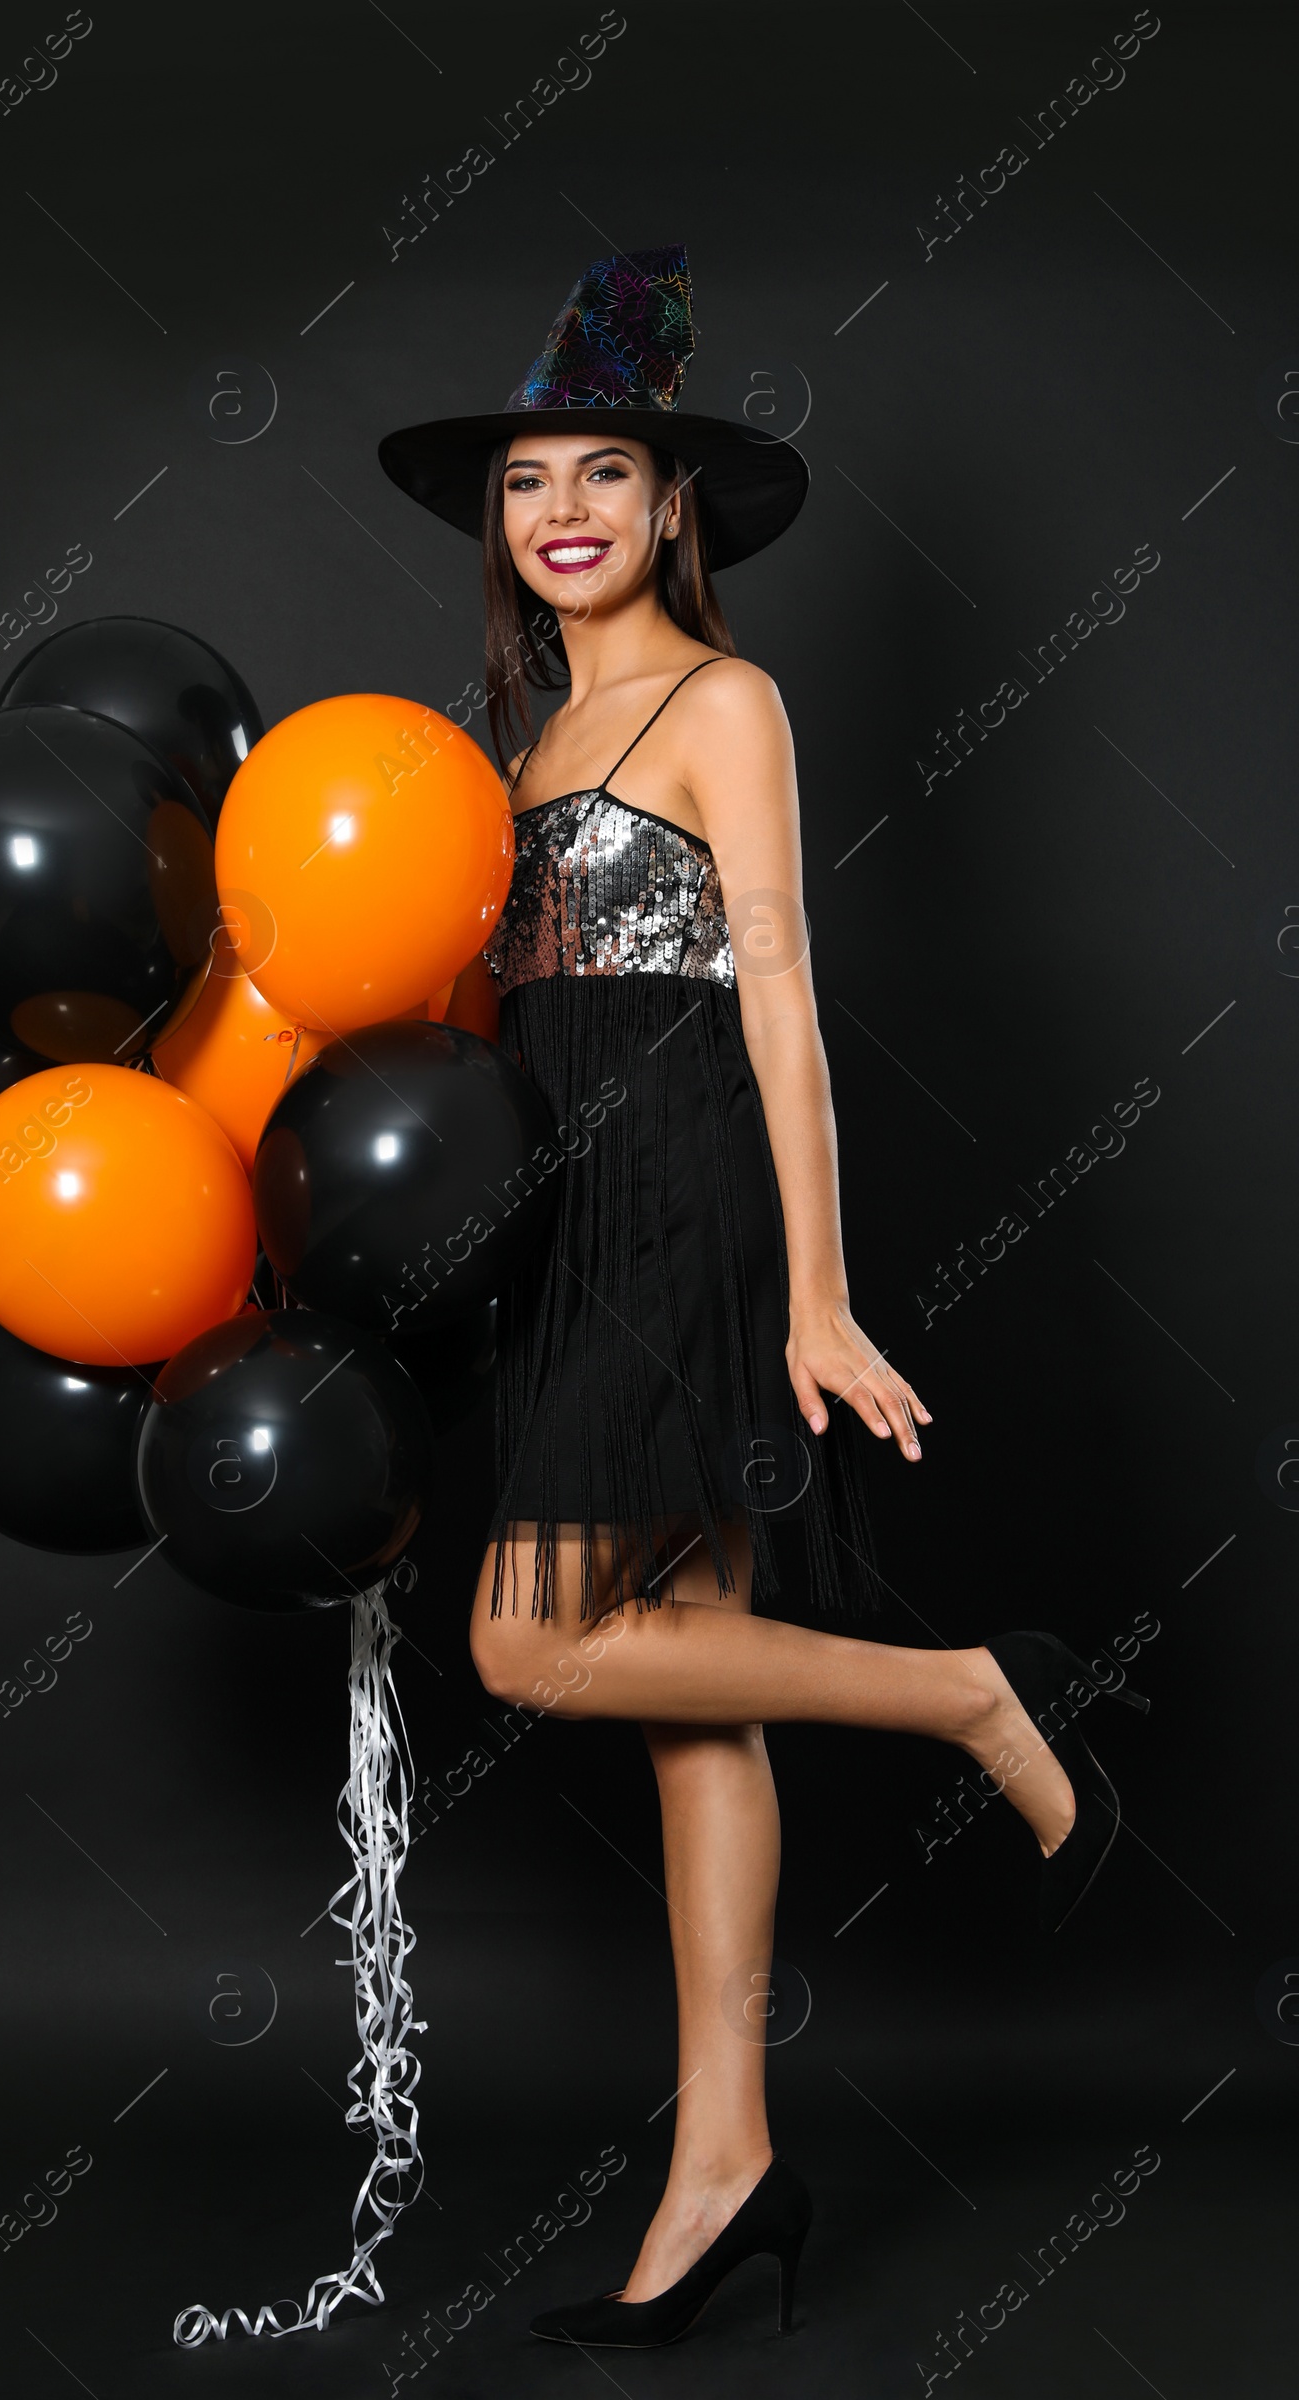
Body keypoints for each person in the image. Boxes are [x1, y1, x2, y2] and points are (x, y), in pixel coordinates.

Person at [378, 246, 1145, 2351]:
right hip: (561, 1210)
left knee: (533, 1640)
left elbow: (783, 1000)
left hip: (681, 1193)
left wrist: (812, 1295)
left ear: (668, 509)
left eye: (601, 472)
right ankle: (722, 2163)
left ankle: (972, 1689)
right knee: (692, 1693)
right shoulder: (517, 736)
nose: (559, 510)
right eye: (527, 477)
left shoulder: (726, 702)